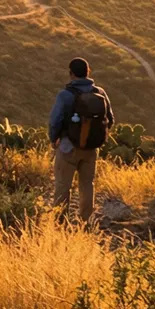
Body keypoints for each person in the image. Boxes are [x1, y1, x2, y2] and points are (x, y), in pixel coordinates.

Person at [47, 57, 113, 222]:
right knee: (87, 185)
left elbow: (55, 121)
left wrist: (53, 139)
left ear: (71, 74)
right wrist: (96, 137)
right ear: (88, 72)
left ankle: (60, 222)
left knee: (63, 186)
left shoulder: (65, 95)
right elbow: (110, 119)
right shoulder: (100, 93)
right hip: (91, 149)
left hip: (68, 147)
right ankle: (85, 221)